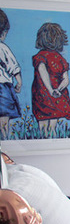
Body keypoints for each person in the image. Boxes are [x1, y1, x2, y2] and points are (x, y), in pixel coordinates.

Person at [32, 22, 70, 138]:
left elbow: (43, 72)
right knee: (52, 127)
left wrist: (50, 90)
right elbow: (66, 80)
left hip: (43, 94)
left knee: (42, 126)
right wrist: (58, 90)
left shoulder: (40, 56)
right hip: (57, 96)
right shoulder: (60, 59)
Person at [0, 8, 22, 140]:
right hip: (3, 89)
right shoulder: (3, 48)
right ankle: (5, 140)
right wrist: (19, 82)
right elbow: (14, 67)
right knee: (3, 120)